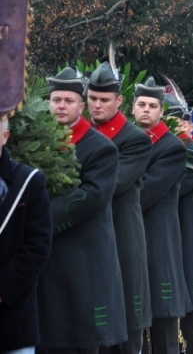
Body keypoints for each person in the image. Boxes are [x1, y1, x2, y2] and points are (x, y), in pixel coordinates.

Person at [40, 67, 128, 351]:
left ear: (81, 105)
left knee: (80, 339)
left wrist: (39, 220)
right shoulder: (36, 144)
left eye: (68, 100)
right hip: (45, 259)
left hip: (83, 260)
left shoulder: (100, 148)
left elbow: (92, 196)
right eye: (56, 100)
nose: (61, 106)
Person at [88, 63, 154, 354]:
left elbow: (109, 186)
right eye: (92, 98)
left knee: (127, 324)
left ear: (119, 101)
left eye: (104, 100)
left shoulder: (134, 139)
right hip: (89, 239)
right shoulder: (77, 133)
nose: (97, 105)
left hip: (122, 238)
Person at [133, 77, 188, 354]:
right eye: (141, 104)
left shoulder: (172, 148)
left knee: (164, 332)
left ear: (161, 111)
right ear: (132, 108)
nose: (146, 110)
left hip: (158, 247)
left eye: (152, 105)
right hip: (131, 244)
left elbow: (143, 194)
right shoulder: (126, 142)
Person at [163, 95, 193, 354]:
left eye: (180, 123)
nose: (176, 128)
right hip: (165, 238)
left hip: (187, 238)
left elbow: (168, 187)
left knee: (191, 309)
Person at [0, 116, 52, 354]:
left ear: (5, 136)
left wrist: (3, 288)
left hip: (12, 318)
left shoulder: (29, 181)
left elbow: (37, 246)